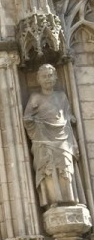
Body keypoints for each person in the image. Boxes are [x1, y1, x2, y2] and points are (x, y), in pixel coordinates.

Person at [23, 64, 80, 208]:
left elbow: (66, 116)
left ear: (55, 77)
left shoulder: (61, 96)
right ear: (38, 79)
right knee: (48, 170)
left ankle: (69, 199)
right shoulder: (35, 97)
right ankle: (52, 201)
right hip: (44, 140)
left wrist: (70, 119)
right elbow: (27, 119)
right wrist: (35, 122)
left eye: (50, 75)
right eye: (44, 76)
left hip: (62, 139)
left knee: (66, 168)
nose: (47, 79)